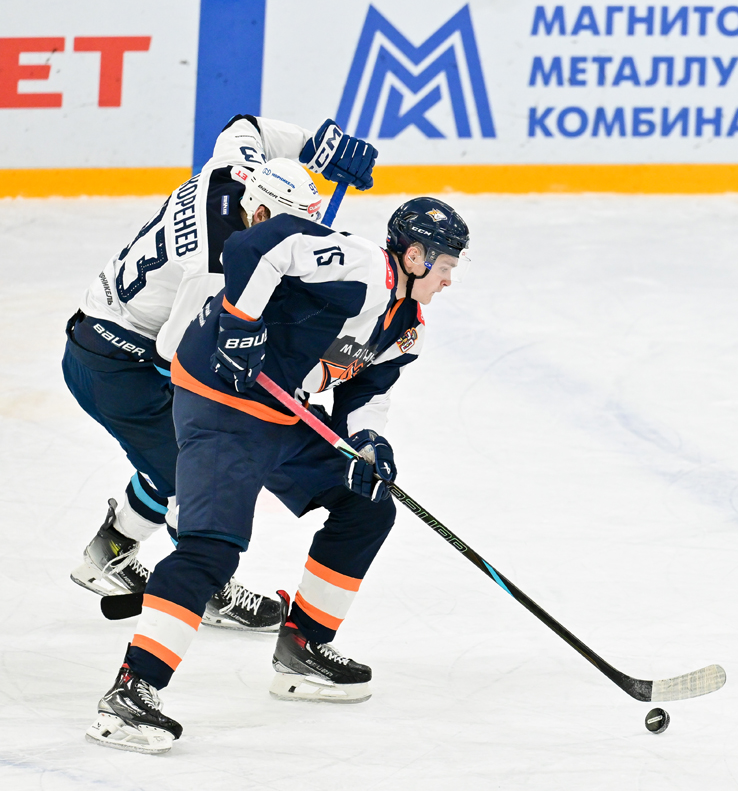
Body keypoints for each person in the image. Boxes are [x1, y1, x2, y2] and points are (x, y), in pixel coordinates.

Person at [84, 197, 470, 754]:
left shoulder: (406, 327)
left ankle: (303, 648)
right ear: (415, 256)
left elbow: (366, 392)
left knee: (366, 506)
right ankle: (131, 691)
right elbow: (256, 244)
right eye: (445, 265)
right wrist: (241, 324)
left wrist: (368, 441)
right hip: (220, 397)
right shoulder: (361, 265)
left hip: (280, 411)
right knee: (210, 550)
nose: (449, 280)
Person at [62, 114, 378, 631]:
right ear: (260, 214)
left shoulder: (233, 170)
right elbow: (178, 352)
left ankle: (109, 552)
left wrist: (319, 147)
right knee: (197, 472)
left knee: (170, 463)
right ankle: (206, 586)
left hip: (105, 334)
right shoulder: (213, 268)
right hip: (119, 362)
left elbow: (245, 125)